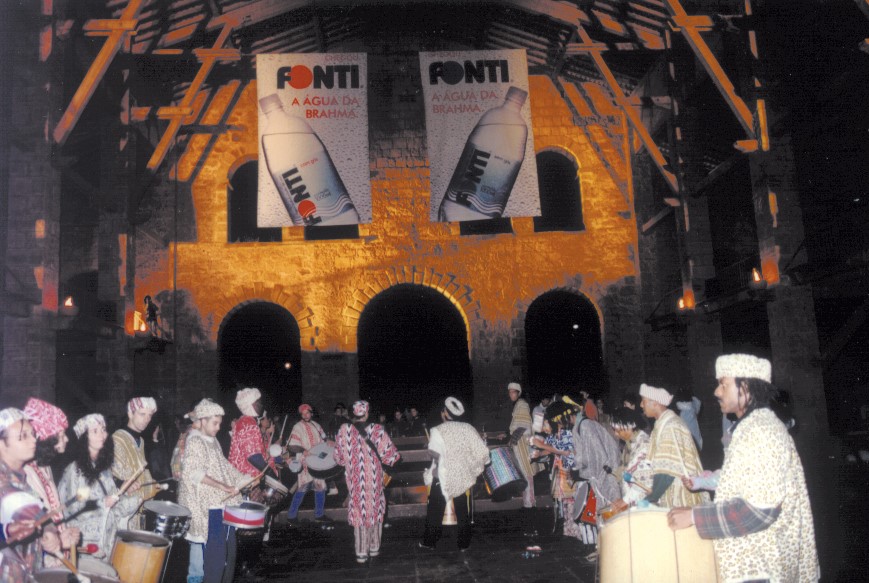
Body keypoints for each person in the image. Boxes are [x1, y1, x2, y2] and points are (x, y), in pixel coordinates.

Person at [668, 354, 819, 582]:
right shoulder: (750, 427)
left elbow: (759, 511)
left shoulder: (761, 431)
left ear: (745, 387)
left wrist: (694, 516)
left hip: (762, 564)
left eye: (723, 384)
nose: (717, 391)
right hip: (754, 559)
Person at [179, 399, 249, 583]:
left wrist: (245, 478)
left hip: (221, 503)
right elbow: (194, 473)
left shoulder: (213, 440)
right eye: (214, 423)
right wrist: (222, 486)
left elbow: (224, 466)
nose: (218, 427)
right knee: (214, 558)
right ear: (202, 420)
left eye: (219, 423)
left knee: (227, 555)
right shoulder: (195, 441)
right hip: (207, 508)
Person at [58, 414, 139, 561]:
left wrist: (126, 493)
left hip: (105, 543)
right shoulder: (76, 471)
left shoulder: (103, 469)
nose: (102, 435)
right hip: (86, 547)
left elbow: (113, 501)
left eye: (103, 429)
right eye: (95, 431)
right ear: (84, 438)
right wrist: (103, 503)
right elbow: (74, 508)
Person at [333, 400, 400, 563]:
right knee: (375, 508)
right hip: (374, 479)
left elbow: (338, 458)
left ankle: (361, 552)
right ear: (367, 413)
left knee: (359, 510)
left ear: (353, 414)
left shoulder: (343, 430)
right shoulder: (377, 429)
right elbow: (391, 457)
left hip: (354, 480)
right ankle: (374, 547)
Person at [420, 397, 489, 551]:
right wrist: (470, 466)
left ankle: (429, 542)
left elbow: (434, 454)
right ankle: (464, 544)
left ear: (445, 413)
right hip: (461, 476)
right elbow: (483, 453)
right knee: (462, 510)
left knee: (435, 510)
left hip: (442, 476)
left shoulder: (437, 430)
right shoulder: (468, 428)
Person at [22, 398, 80, 568]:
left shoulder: (44, 466)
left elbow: (51, 512)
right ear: (46, 438)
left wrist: (62, 535)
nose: (66, 439)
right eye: (61, 435)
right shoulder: (24, 471)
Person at [639, 383, 708, 508]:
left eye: (643, 401)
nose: (641, 405)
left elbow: (666, 473)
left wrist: (650, 498)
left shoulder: (670, 426)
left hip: (681, 495)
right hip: (672, 490)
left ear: (655, 403)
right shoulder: (662, 423)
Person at [0, 408, 44, 581]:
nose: (33, 440)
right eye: (23, 436)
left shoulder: (24, 482)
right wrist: (6, 531)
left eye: (32, 434)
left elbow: (38, 519)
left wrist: (51, 534)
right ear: (2, 444)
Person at [571, 396, 621, 549]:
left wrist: (582, 472)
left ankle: (611, 550)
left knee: (609, 514)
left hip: (604, 475)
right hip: (600, 475)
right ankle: (605, 549)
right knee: (603, 515)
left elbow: (598, 456)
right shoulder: (583, 425)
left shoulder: (585, 425)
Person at [531, 401, 580, 540]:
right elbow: (551, 448)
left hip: (570, 471)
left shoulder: (567, 432)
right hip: (561, 470)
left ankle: (574, 531)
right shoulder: (556, 433)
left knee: (570, 502)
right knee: (564, 502)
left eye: (546, 423)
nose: (545, 426)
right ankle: (567, 530)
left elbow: (565, 452)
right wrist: (540, 453)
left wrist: (541, 446)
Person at [112, 396, 159, 529]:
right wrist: (121, 483)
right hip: (122, 509)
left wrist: (151, 484)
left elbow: (139, 471)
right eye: (142, 414)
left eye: (150, 415)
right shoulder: (118, 438)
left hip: (136, 507)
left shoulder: (141, 441)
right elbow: (110, 474)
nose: (147, 419)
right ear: (130, 414)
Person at [228, 388, 278, 498]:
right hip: (247, 479)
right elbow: (253, 456)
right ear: (251, 405)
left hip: (245, 476)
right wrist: (270, 473)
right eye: (258, 402)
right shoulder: (247, 423)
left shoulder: (244, 421)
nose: (261, 404)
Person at [286, 403, 332, 523]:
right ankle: (291, 516)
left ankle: (319, 515)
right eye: (303, 414)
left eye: (307, 413)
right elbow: (292, 445)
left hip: (317, 462)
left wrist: (329, 442)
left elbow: (324, 440)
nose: (306, 415)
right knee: (302, 488)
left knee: (320, 488)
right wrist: (303, 450)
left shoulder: (317, 425)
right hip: (305, 462)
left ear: (311, 413)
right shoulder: (297, 427)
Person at [609, 407, 653, 511]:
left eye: (618, 430)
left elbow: (644, 482)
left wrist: (625, 500)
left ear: (630, 427)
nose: (616, 434)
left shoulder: (644, 445)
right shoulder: (629, 444)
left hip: (643, 505)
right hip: (633, 502)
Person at [507, 382, 535, 507]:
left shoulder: (522, 404)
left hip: (522, 442)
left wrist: (512, 440)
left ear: (518, 393)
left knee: (526, 470)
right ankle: (527, 501)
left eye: (513, 392)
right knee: (523, 471)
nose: (510, 394)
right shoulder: (518, 405)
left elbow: (523, 426)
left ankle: (529, 502)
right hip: (519, 442)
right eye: (509, 392)